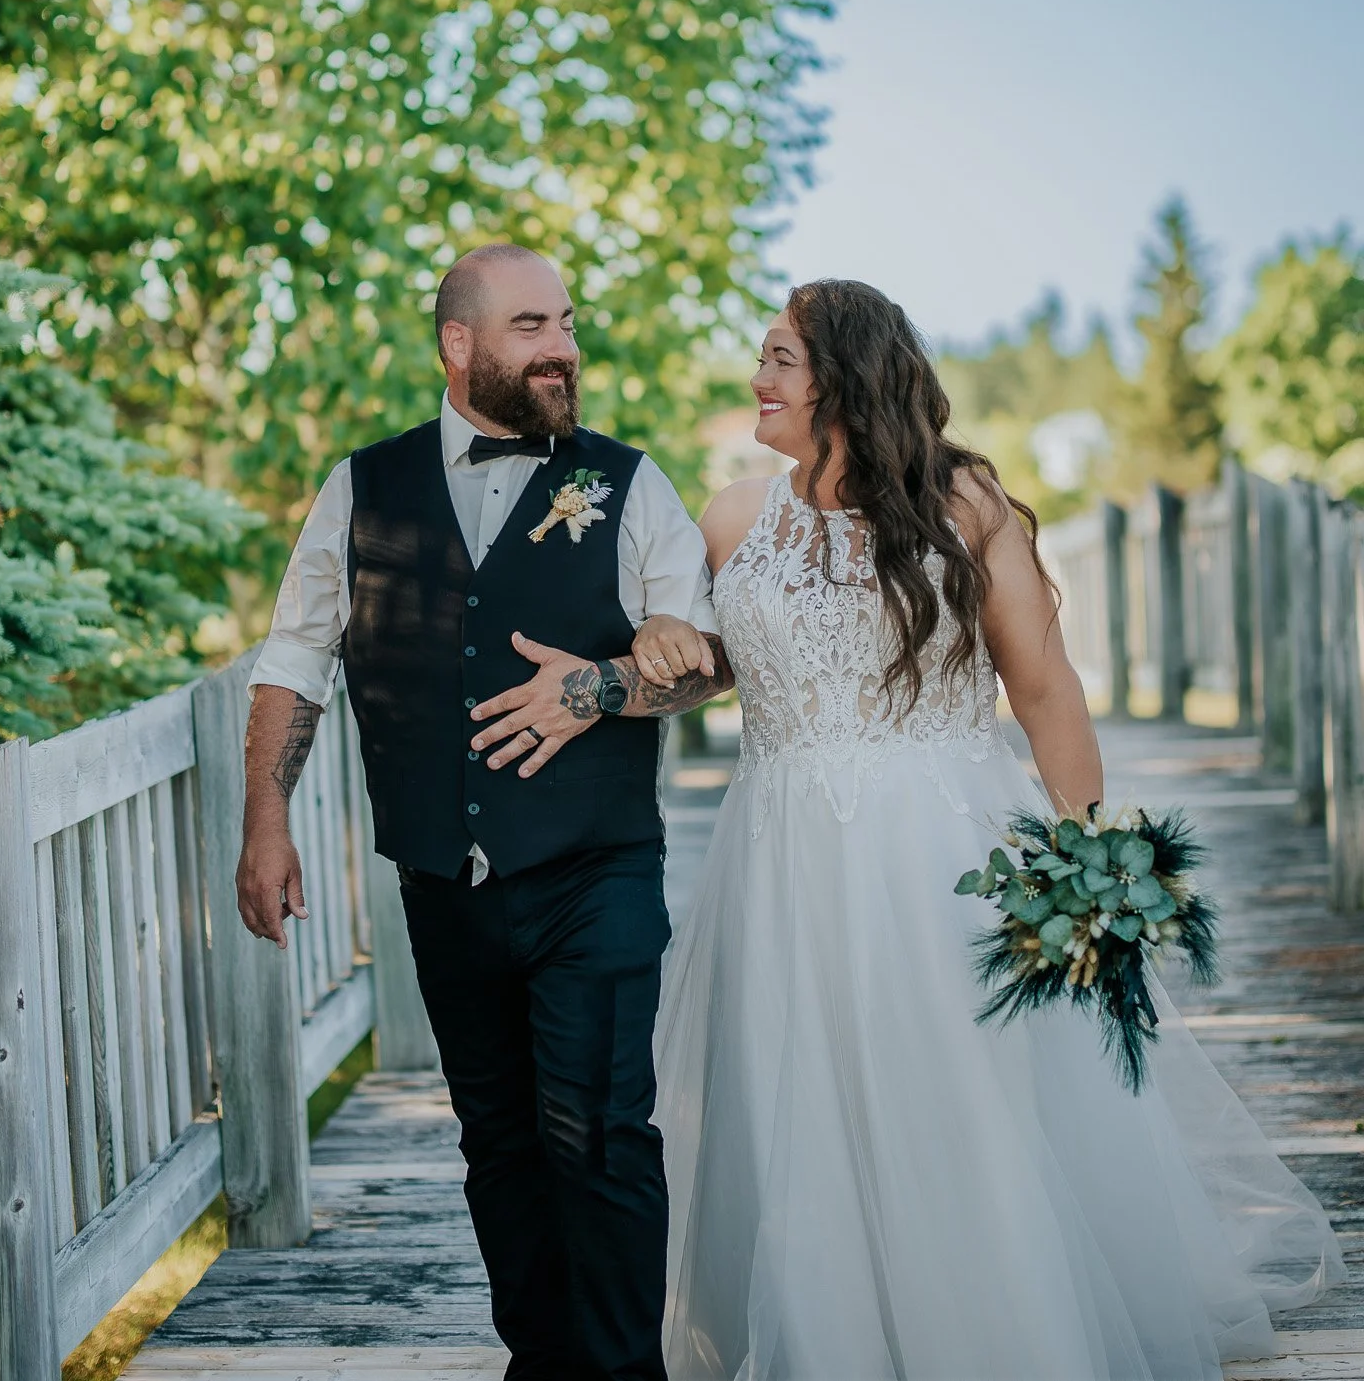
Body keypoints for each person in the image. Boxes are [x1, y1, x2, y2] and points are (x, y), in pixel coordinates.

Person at [485, 278, 1347, 1379]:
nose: (756, 379)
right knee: (800, 1106)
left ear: (844, 374)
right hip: (781, 854)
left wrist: (1084, 859)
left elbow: (1043, 689)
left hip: (942, 848)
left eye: (778, 359)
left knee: (960, 1093)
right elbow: (692, 674)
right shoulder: (733, 515)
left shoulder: (966, 503)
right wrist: (598, 686)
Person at [236, 243, 728, 1380]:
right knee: (501, 1144)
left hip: (591, 868)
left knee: (602, 1136)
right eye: (529, 326)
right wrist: (265, 817)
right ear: (458, 345)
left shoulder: (627, 480)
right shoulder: (361, 486)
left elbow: (701, 659)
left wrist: (610, 682)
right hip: (439, 881)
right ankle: (544, 1361)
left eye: (564, 321)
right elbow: (295, 653)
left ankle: (620, 1371)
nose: (561, 346)